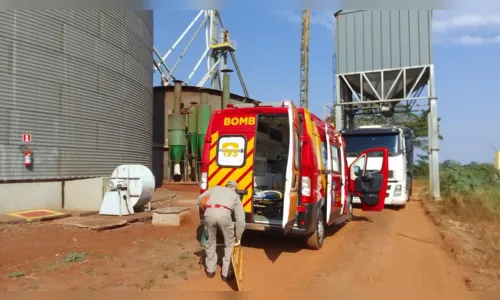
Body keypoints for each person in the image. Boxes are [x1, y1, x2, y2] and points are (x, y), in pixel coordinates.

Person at [197, 180, 246, 281]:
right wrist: (238, 236)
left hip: (209, 214)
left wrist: (205, 210)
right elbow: (241, 220)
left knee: (210, 242)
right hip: (224, 215)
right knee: (229, 244)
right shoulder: (235, 196)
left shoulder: (216, 188)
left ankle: (210, 271)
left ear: (226, 186)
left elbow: (200, 198)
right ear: (235, 189)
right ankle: (226, 273)